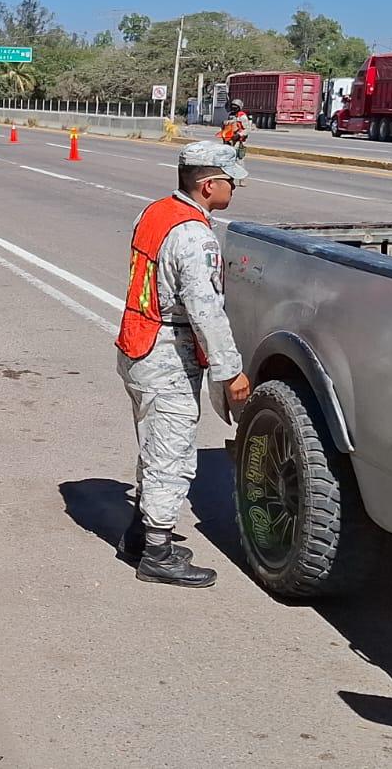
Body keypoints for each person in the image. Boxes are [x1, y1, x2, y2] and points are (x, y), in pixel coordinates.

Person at [113, 140, 252, 588]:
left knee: (155, 444)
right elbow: (205, 310)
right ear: (208, 185)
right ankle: (157, 553)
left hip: (138, 343)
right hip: (166, 352)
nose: (234, 189)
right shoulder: (193, 235)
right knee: (171, 453)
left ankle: (139, 535)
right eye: (230, 182)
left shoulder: (154, 212)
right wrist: (230, 371)